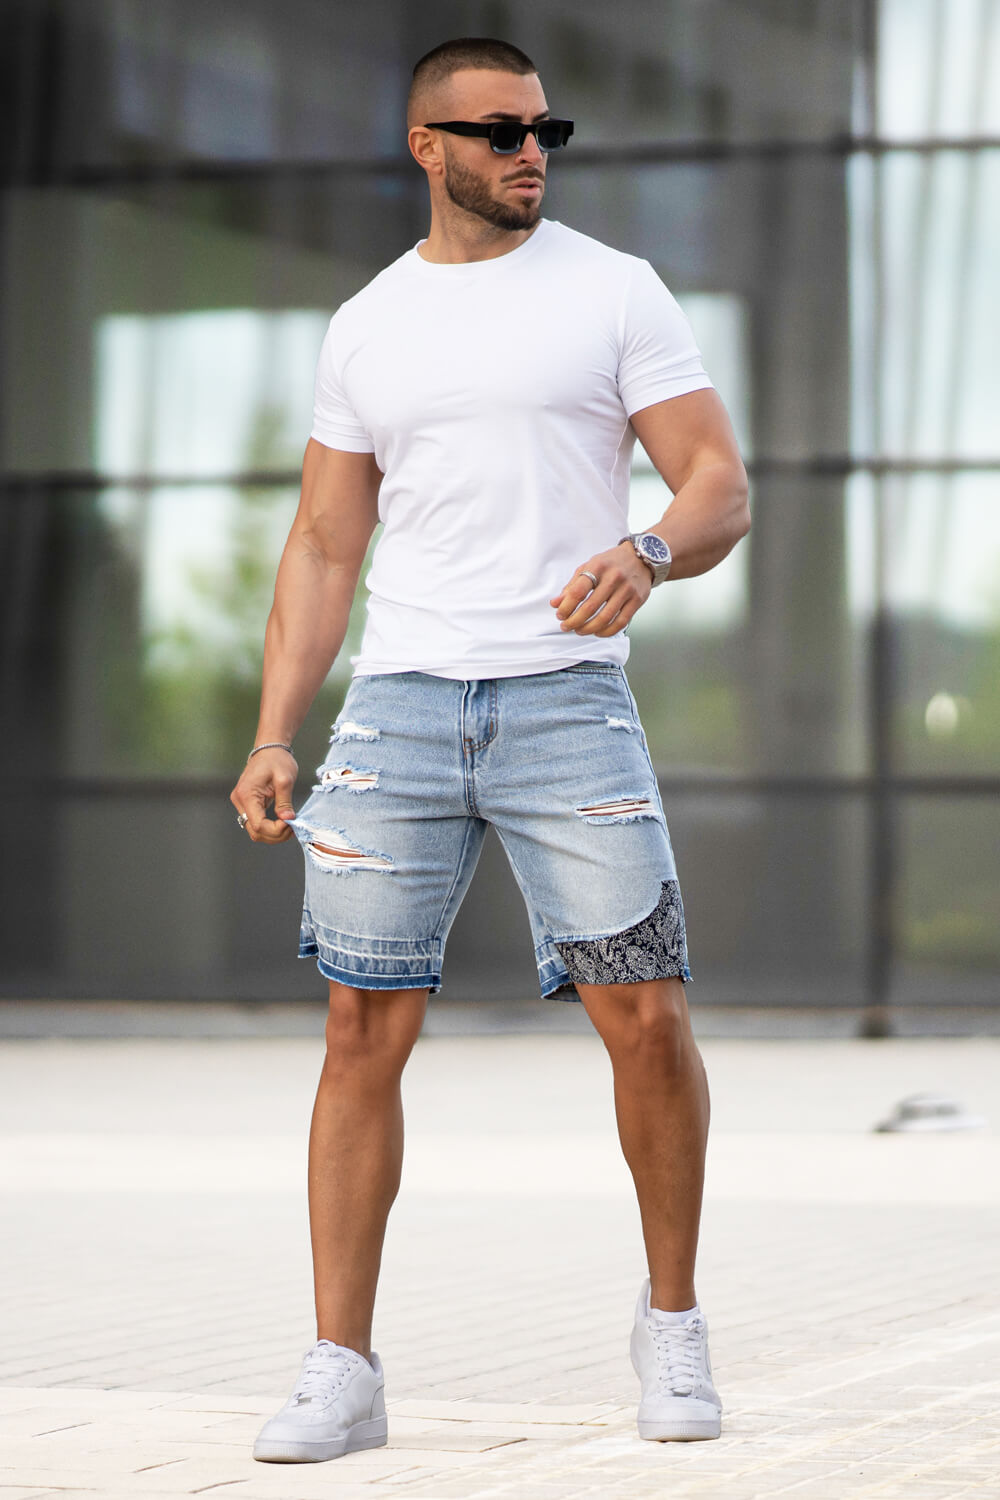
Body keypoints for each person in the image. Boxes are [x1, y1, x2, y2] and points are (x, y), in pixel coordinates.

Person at [230, 36, 749, 1464]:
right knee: (359, 1029)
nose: (532, 151)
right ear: (428, 147)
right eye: (502, 131)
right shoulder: (368, 323)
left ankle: (674, 1324)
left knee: (645, 1015)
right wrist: (275, 730)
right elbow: (325, 542)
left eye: (546, 130)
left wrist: (648, 551)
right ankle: (342, 1368)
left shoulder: (613, 290)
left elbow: (717, 482)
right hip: (397, 708)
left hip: (565, 703)